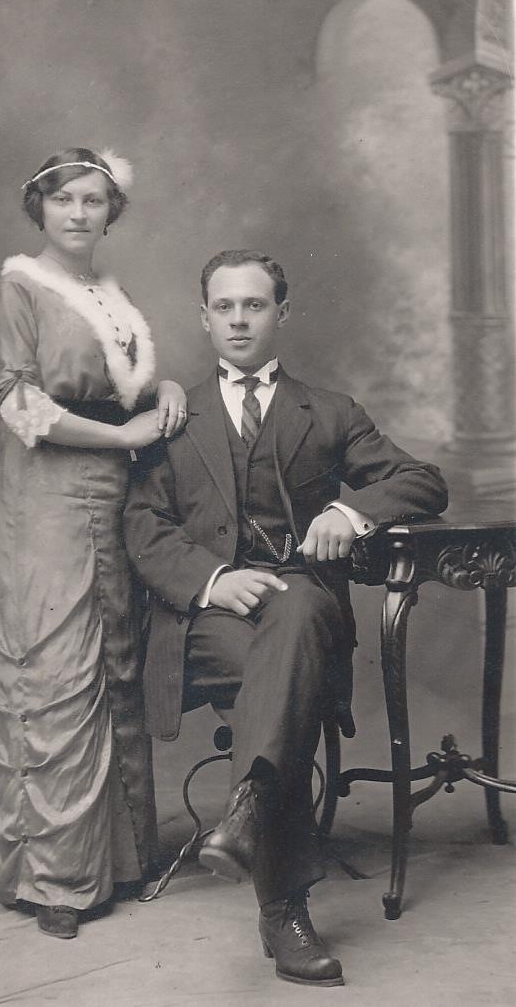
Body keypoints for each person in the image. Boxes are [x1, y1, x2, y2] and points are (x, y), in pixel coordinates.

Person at [123, 249, 448, 986]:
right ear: (204, 318)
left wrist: (350, 511)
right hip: (207, 623)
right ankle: (283, 906)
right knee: (283, 682)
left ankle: (258, 839)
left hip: (300, 611)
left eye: (255, 305)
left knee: (297, 607)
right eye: (225, 307)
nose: (239, 320)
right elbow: (143, 526)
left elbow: (423, 480)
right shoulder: (175, 419)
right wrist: (213, 580)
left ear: (283, 312)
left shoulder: (329, 411)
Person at [0, 147, 187, 939]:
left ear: (110, 212)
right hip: (45, 494)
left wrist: (165, 388)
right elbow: (20, 406)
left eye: (93, 200)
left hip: (111, 494)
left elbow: (128, 388)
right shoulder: (18, 287)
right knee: (55, 667)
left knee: (113, 661)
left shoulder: (110, 293)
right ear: (40, 207)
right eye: (63, 198)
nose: (78, 212)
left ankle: (121, 860)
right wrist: (125, 433)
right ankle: (55, 878)